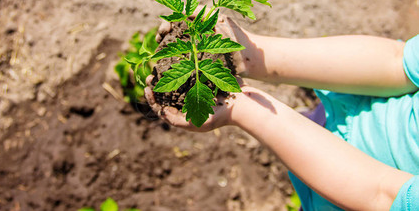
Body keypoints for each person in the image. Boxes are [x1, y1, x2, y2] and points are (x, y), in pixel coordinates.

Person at [144, 16, 419, 210]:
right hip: (353, 111)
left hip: (344, 196)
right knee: (312, 123)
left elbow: (382, 196)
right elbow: (401, 61)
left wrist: (241, 106)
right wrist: (247, 52)